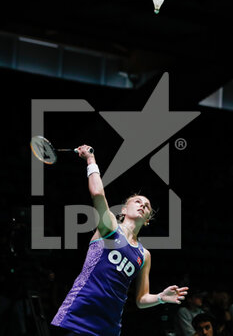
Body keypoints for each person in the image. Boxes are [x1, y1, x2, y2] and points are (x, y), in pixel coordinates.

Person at [51, 144, 189, 336]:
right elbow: (98, 194)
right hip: (79, 315)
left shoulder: (144, 255)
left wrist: (160, 298)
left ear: (148, 219)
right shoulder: (109, 229)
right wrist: (91, 161)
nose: (143, 205)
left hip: (109, 325)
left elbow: (141, 299)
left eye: (147, 206)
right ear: (123, 210)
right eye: (138, 201)